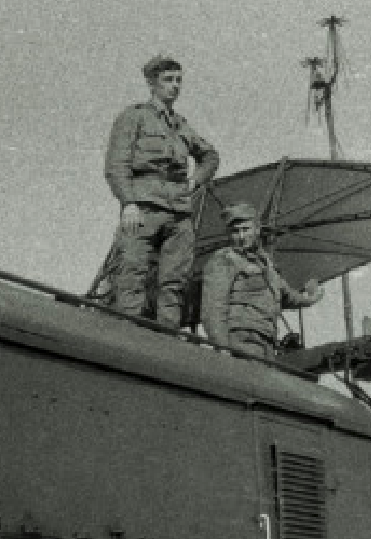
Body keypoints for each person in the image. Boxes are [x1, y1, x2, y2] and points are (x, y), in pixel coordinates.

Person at [91, 54, 219, 328]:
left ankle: (167, 340)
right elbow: (116, 165)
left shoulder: (181, 125)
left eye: (178, 81)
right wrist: (128, 203)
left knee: (174, 282)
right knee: (132, 275)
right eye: (168, 80)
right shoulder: (134, 117)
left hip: (179, 214)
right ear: (152, 84)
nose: (175, 86)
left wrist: (195, 180)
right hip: (143, 208)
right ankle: (129, 336)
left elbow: (210, 156)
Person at [201, 203, 324, 358]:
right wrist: (221, 347)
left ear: (257, 230)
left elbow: (287, 296)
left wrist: (312, 298)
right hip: (241, 339)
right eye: (235, 231)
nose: (241, 236)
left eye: (246, 229)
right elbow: (213, 308)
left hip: (267, 340)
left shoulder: (266, 264)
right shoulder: (224, 260)